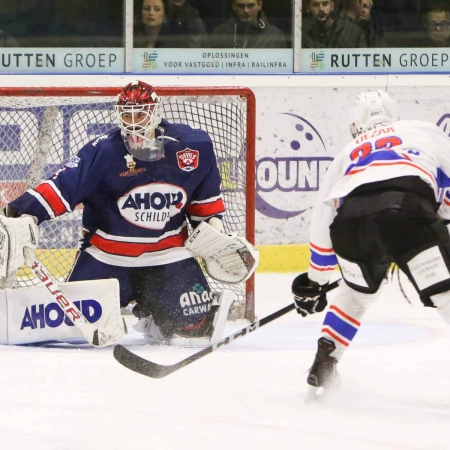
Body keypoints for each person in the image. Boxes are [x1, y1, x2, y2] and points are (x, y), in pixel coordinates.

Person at [2, 80, 256, 346]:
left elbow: (204, 207)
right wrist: (20, 212)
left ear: (156, 111)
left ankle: (157, 311)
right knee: (72, 334)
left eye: (140, 113)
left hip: (168, 256)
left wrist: (216, 238)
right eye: (127, 115)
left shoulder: (193, 147)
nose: (133, 122)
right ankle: (143, 302)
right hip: (107, 258)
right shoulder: (103, 151)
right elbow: (62, 188)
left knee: (194, 332)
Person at [292, 90, 450, 395]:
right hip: (407, 211)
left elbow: (324, 213)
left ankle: (326, 360)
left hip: (350, 224)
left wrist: (316, 279)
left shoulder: (348, 151)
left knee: (354, 294)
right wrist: (436, 220)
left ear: (356, 125)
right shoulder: (422, 130)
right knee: (446, 293)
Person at [210, 0, 286, 49]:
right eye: (241, 6)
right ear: (234, 6)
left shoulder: (274, 35)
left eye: (251, 5)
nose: (246, 10)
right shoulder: (221, 32)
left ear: (259, 5)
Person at [302, 0, 368, 48]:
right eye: (315, 5)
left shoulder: (353, 33)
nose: (321, 9)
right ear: (308, 8)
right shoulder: (302, 34)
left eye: (325, 4)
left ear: (332, 6)